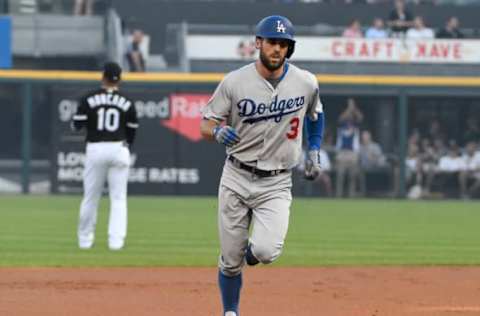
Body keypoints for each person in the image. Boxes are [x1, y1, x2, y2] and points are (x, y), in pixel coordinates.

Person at [199, 15, 325, 316]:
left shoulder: (305, 82)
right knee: (230, 260)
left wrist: (315, 150)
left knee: (267, 251)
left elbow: (316, 115)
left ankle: (251, 255)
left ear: (289, 49)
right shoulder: (235, 81)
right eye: (272, 42)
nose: (277, 49)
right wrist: (217, 131)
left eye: (283, 44)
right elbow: (206, 123)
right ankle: (230, 311)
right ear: (259, 43)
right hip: (237, 175)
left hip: (277, 181)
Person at [72, 62, 138, 250]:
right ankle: (116, 243)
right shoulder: (127, 101)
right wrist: (126, 147)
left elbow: (77, 125)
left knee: (91, 197)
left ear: (103, 77)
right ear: (120, 78)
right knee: (118, 198)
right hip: (119, 148)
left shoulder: (89, 98)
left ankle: (85, 241)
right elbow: (132, 131)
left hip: (96, 147)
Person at [335, 98, 362, 198]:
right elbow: (341, 118)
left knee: (352, 175)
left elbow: (360, 118)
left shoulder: (355, 124)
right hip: (342, 152)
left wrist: (353, 108)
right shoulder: (342, 124)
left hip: (352, 153)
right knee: (340, 175)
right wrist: (348, 108)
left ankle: (352, 195)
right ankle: (339, 195)